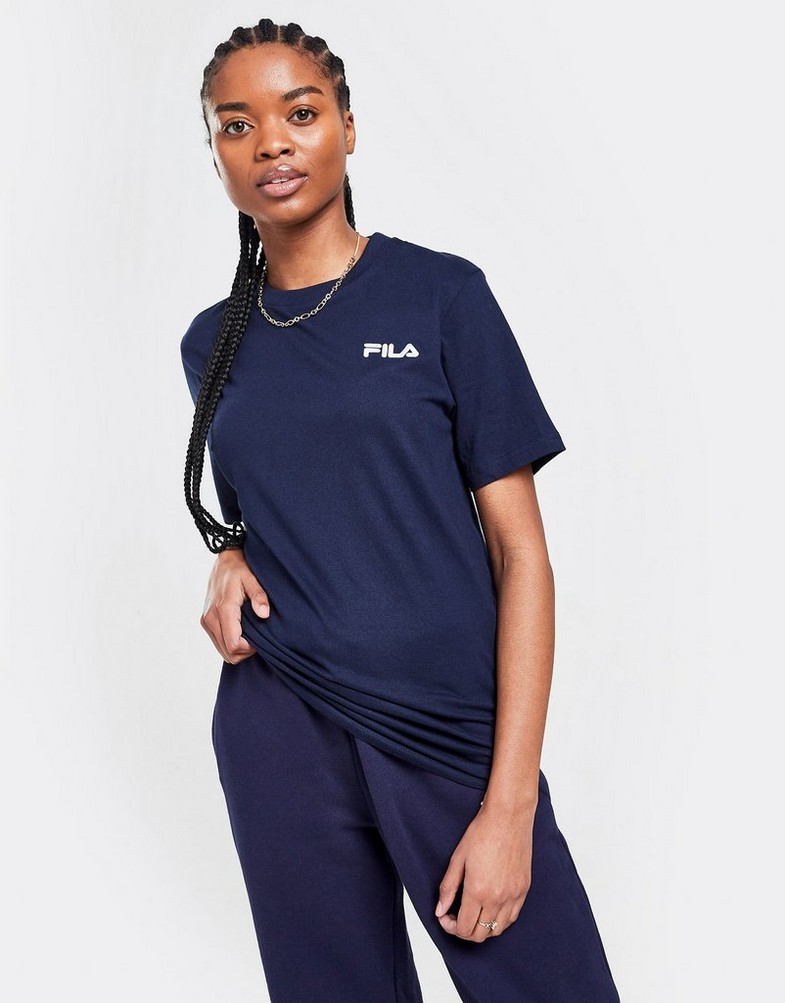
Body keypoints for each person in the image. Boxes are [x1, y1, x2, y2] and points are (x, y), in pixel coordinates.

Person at [180, 17, 621, 1003]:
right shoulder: (211, 342)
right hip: (277, 723)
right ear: (215, 156)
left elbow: (520, 555)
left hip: (443, 720)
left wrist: (509, 803)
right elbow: (284, 505)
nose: (271, 143)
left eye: (299, 113)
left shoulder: (440, 297)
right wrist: (228, 555)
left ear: (347, 126)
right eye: (236, 125)